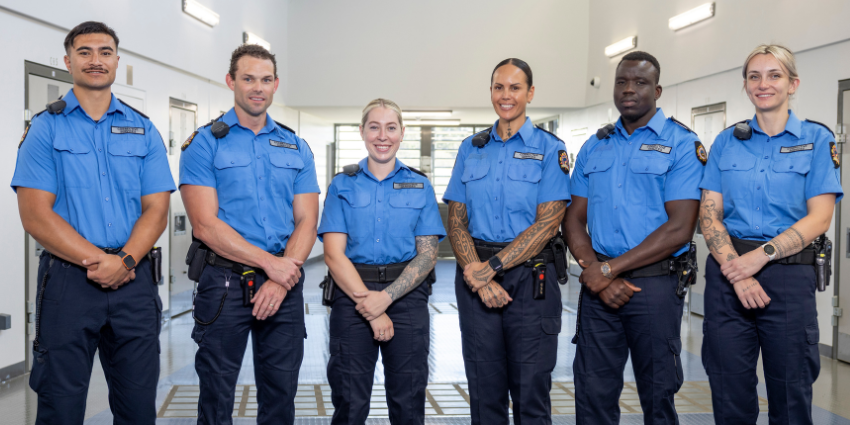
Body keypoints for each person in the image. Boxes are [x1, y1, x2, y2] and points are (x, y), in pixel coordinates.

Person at [11, 21, 175, 424]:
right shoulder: (46, 128)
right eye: (84, 52)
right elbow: (35, 213)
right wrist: (100, 262)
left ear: (117, 61)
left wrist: (125, 260)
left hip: (133, 281)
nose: (95, 60)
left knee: (138, 407)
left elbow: (157, 208)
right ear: (68, 62)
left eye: (105, 52)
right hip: (68, 284)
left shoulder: (144, 128)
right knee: (60, 405)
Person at [699, 44, 842, 425]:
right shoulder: (726, 142)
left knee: (790, 393)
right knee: (728, 390)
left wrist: (757, 258)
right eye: (754, 76)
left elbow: (820, 219)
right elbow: (709, 215)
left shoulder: (816, 140)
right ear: (746, 85)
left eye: (774, 75)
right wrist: (736, 269)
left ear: (793, 83)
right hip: (727, 277)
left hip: (787, 276)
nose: (764, 84)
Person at [179, 44, 319, 424]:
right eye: (248, 78)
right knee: (216, 393)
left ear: (276, 85)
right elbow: (205, 224)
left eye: (266, 79)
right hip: (223, 283)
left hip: (283, 284)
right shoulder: (205, 143)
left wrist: (281, 275)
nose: (258, 87)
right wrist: (270, 265)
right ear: (231, 82)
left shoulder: (296, 145)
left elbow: (307, 220)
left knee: (280, 395)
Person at [563, 51, 705, 424]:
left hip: (654, 289)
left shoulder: (680, 144)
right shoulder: (596, 146)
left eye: (640, 82)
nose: (629, 89)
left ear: (657, 90)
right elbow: (573, 219)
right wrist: (596, 270)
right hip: (599, 289)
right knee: (592, 395)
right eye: (622, 81)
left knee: (658, 396)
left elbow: (679, 227)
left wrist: (608, 269)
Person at [444, 58, 571, 425]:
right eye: (499, 87)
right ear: (490, 92)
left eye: (515, 87)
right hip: (475, 277)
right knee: (485, 395)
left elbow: (547, 224)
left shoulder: (550, 149)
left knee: (530, 392)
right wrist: (476, 275)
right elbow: (456, 220)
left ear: (530, 93)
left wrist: (492, 269)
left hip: (530, 280)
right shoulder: (472, 148)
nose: (506, 95)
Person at [319, 98, 446, 424]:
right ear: (362, 132)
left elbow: (428, 254)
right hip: (351, 294)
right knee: (349, 402)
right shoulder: (342, 185)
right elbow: (334, 254)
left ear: (402, 133)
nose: (382, 135)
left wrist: (387, 298)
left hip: (407, 296)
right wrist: (371, 306)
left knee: (408, 401)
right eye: (374, 127)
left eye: (391, 128)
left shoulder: (419, 185)